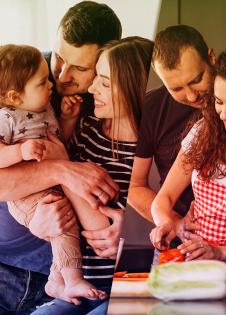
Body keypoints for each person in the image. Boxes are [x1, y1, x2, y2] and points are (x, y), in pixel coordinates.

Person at [0, 2, 123, 313]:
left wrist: (132, 228)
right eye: (60, 57)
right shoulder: (22, 76)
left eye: (80, 68)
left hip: (54, 272)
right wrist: (61, 170)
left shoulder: (108, 104)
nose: (61, 75)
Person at [31, 36, 153, 315]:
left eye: (106, 83)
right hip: (76, 286)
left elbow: (102, 230)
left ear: (136, 90)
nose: (93, 87)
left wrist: (63, 168)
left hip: (124, 287)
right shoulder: (86, 130)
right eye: (97, 76)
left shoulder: (145, 155)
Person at [150, 43, 226, 265]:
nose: (224, 114)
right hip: (194, 266)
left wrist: (220, 251)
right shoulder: (202, 132)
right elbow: (164, 197)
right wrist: (166, 222)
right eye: (219, 102)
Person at [128, 24, 215, 225]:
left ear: (211, 58)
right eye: (176, 89)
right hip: (176, 235)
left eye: (197, 80)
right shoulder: (150, 108)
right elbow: (134, 185)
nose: (192, 96)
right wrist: (175, 225)